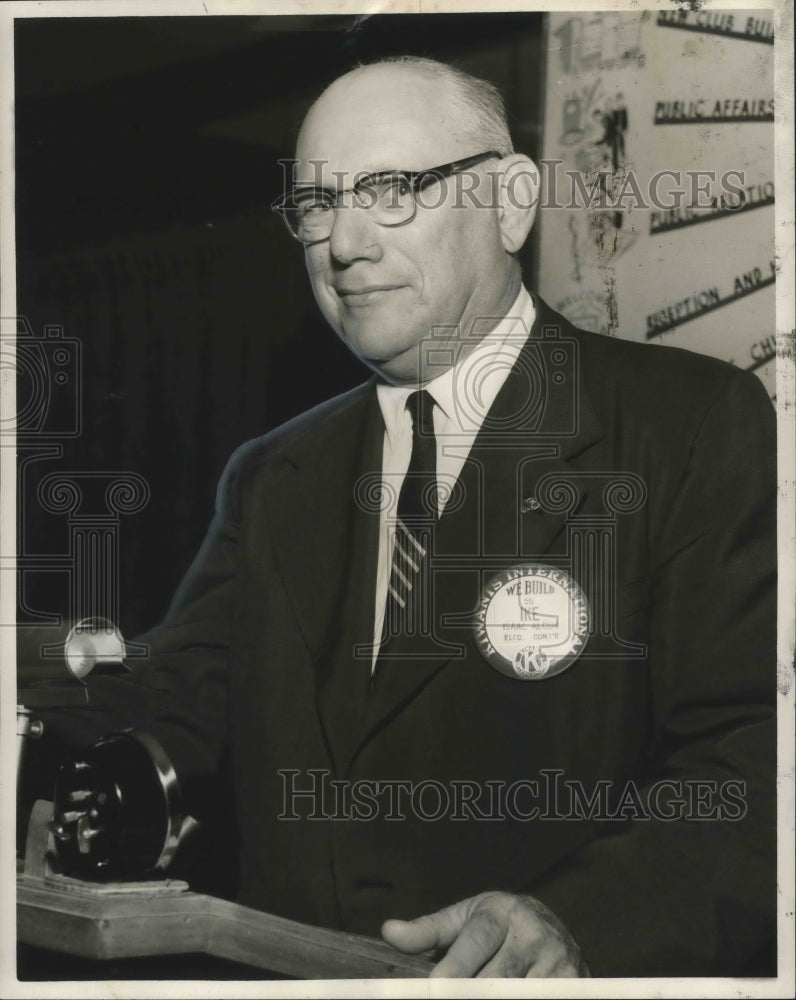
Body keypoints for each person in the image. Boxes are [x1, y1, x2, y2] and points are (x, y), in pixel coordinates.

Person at [39, 56, 776, 978]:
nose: (343, 244)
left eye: (389, 191)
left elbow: (753, 769)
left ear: (510, 201)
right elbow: (178, 707)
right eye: (315, 205)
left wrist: (581, 924)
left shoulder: (687, 426)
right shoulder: (273, 474)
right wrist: (33, 679)